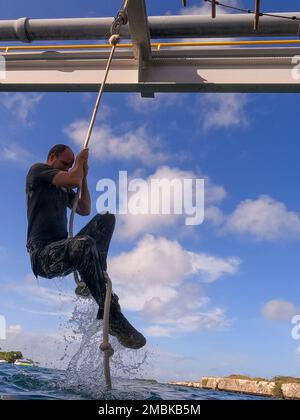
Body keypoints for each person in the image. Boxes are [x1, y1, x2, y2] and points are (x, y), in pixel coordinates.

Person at [25, 144, 146, 350]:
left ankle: (92, 280)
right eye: (65, 163)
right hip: (44, 255)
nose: (67, 168)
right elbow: (72, 178)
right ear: (51, 157)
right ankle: (112, 316)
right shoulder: (38, 172)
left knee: (106, 219)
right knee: (84, 244)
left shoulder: (64, 189)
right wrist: (79, 164)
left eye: (70, 165)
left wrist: (85, 177)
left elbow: (84, 208)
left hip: (67, 249)